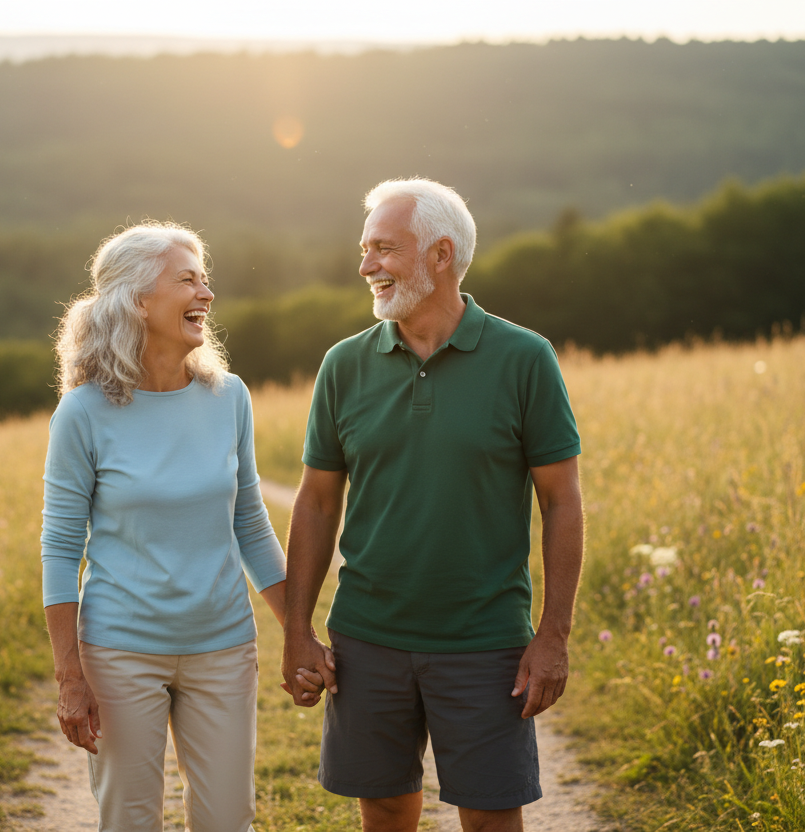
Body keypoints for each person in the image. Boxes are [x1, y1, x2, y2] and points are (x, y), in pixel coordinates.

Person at [281, 179, 585, 832]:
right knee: (387, 809)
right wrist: (297, 628)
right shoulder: (343, 366)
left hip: (485, 643)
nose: (366, 267)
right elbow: (315, 502)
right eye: (365, 250)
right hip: (367, 639)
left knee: (490, 816)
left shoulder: (525, 359)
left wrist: (553, 634)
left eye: (385, 249)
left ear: (441, 255)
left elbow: (562, 501)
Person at [40, 222, 322, 832]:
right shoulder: (83, 412)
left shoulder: (229, 398)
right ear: (138, 301)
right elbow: (61, 549)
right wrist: (70, 675)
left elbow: (249, 523)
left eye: (206, 279)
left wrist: (296, 632)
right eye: (187, 280)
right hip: (120, 651)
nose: (207, 293)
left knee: (228, 819)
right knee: (131, 820)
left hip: (222, 644)